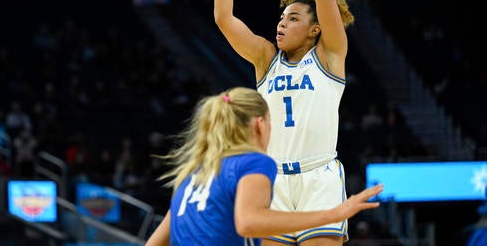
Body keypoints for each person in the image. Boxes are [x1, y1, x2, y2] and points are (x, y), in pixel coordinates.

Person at [213, 0, 356, 245]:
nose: (282, 23)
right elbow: (223, 19)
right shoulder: (265, 58)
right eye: (281, 16)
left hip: (318, 178)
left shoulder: (330, 56)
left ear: (315, 29)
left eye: (294, 18)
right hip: (273, 179)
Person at [145, 87, 383, 246]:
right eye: (271, 123)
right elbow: (249, 223)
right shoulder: (253, 162)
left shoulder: (193, 173)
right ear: (260, 125)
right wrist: (333, 214)